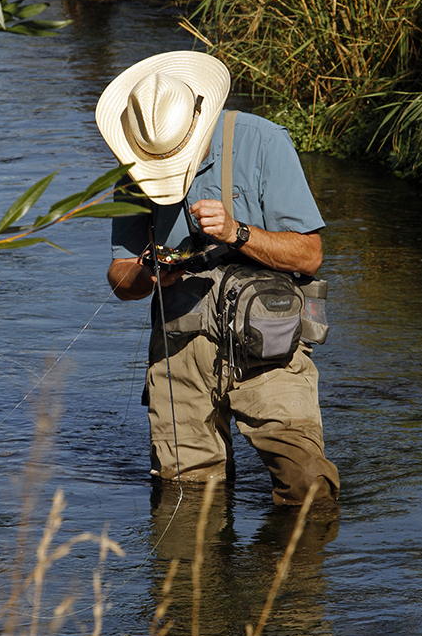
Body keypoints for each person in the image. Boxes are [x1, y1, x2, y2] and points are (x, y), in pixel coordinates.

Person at [96, 50, 339, 506]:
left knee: (309, 489)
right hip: (179, 355)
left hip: (270, 347)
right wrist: (148, 274)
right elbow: (119, 276)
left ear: (199, 116)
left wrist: (237, 233)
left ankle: (287, 578)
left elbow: (310, 256)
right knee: (186, 503)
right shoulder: (134, 168)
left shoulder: (263, 142)